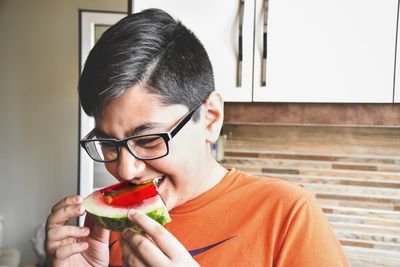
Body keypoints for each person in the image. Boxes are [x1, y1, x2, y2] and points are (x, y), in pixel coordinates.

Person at [45, 8, 350, 267]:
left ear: (210, 118)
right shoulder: (103, 231)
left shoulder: (289, 215)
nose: (125, 170)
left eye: (149, 140)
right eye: (110, 144)